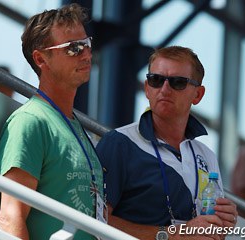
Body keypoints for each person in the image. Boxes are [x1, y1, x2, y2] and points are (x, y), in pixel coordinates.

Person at [96, 46, 237, 240]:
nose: (164, 89)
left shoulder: (206, 155)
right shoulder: (119, 143)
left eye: (178, 82)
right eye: (156, 80)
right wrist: (171, 235)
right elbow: (96, 220)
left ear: (198, 95)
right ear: (147, 88)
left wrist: (222, 222)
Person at [0, 4, 105, 240]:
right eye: (74, 48)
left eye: (87, 44)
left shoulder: (72, 125)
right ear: (41, 59)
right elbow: (10, 217)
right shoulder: (30, 122)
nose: (86, 54)